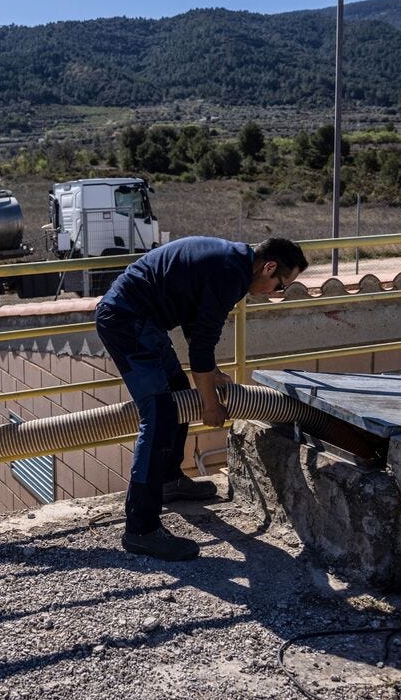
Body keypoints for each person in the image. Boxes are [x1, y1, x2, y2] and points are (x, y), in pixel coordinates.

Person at [94, 235, 308, 561]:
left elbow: (197, 322)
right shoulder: (230, 273)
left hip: (139, 319)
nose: (276, 294)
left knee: (179, 396)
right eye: (280, 286)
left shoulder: (233, 262)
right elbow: (201, 347)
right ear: (269, 267)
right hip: (126, 320)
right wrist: (210, 404)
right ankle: (140, 528)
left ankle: (168, 481)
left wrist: (214, 373)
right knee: (161, 415)